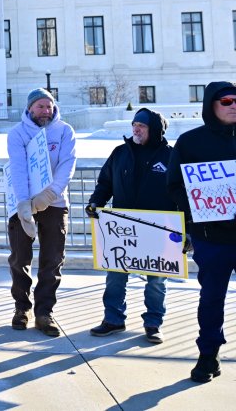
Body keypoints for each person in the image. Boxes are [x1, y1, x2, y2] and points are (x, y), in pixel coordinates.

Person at [166, 81, 236, 383]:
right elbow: (174, 185)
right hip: (212, 237)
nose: (233, 105)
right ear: (211, 105)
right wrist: (199, 210)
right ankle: (208, 354)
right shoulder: (190, 142)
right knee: (211, 299)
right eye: (226, 101)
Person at [85, 108, 174, 343]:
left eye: (142, 126)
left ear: (154, 130)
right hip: (121, 228)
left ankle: (153, 323)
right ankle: (113, 319)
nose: (136, 128)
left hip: (158, 229)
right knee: (115, 277)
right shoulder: (120, 153)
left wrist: (186, 229)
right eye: (134, 124)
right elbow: (105, 183)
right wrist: (96, 202)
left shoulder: (170, 156)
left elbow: (180, 194)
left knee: (156, 281)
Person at [6, 87, 77, 337]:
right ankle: (21, 308)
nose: (45, 111)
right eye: (40, 106)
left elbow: (67, 165)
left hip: (55, 204)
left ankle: (44, 312)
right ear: (29, 108)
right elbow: (18, 168)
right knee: (19, 258)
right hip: (23, 204)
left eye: (48, 106)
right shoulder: (17, 133)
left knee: (52, 260)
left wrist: (50, 194)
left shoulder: (65, 131)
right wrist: (25, 203)